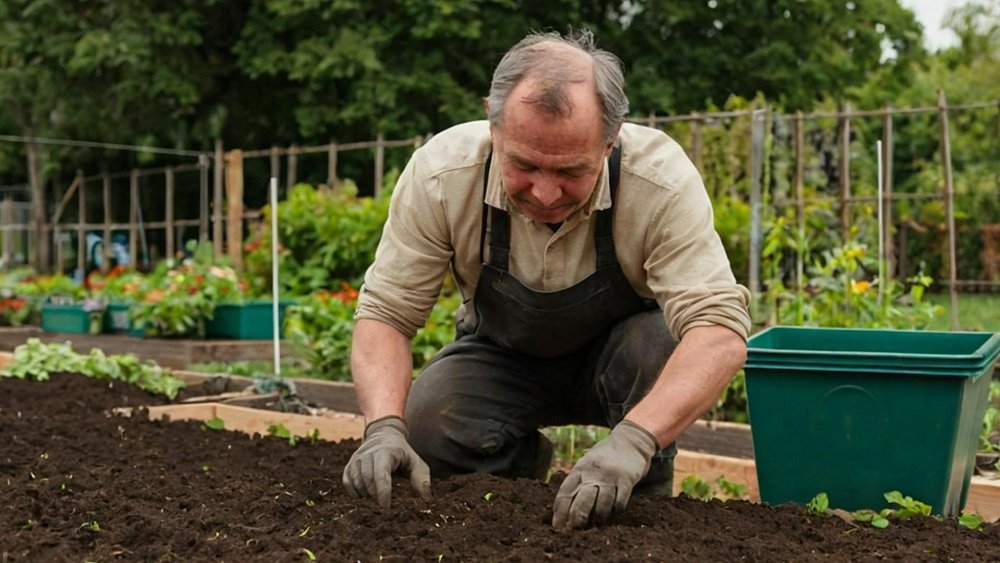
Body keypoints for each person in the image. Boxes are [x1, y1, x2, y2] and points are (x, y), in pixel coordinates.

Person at [342, 29, 751, 530]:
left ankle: (634, 489)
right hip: (503, 355)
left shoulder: (658, 182)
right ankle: (515, 472)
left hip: (622, 363)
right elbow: (386, 313)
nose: (545, 191)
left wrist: (634, 441)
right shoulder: (443, 176)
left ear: (610, 139)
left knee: (659, 343)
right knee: (427, 422)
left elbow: (719, 332)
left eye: (571, 171)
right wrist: (383, 428)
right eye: (524, 164)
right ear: (493, 122)